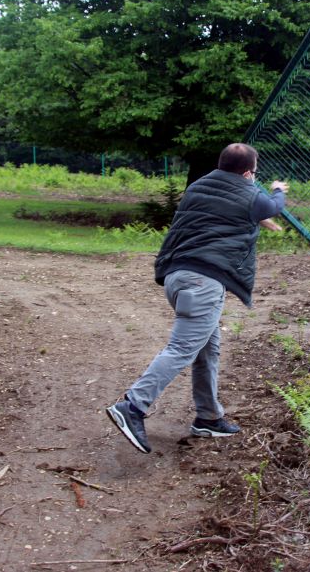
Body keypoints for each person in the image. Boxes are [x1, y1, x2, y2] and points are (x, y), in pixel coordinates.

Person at [106, 143, 289, 453]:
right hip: (203, 282)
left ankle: (208, 417)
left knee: (208, 349)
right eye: (253, 174)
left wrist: (255, 210)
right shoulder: (251, 194)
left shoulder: (199, 186)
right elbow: (272, 206)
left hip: (177, 276)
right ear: (248, 173)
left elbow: (230, 207)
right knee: (181, 348)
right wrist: (277, 189)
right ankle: (133, 406)